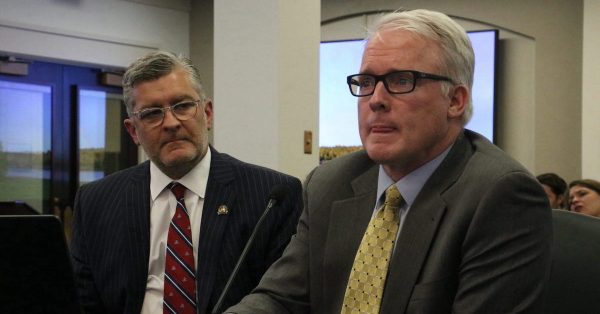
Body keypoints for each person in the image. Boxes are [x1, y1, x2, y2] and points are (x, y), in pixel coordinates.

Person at [226, 9, 552, 314]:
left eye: (401, 80)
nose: (376, 100)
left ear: (455, 100)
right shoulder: (330, 182)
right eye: (366, 83)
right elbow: (280, 298)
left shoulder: (500, 195)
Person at [70, 51, 303, 314]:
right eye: (151, 114)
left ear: (207, 112)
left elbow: (286, 301)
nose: (171, 123)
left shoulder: (270, 197)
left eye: (182, 106)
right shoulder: (96, 202)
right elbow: (83, 302)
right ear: (133, 130)